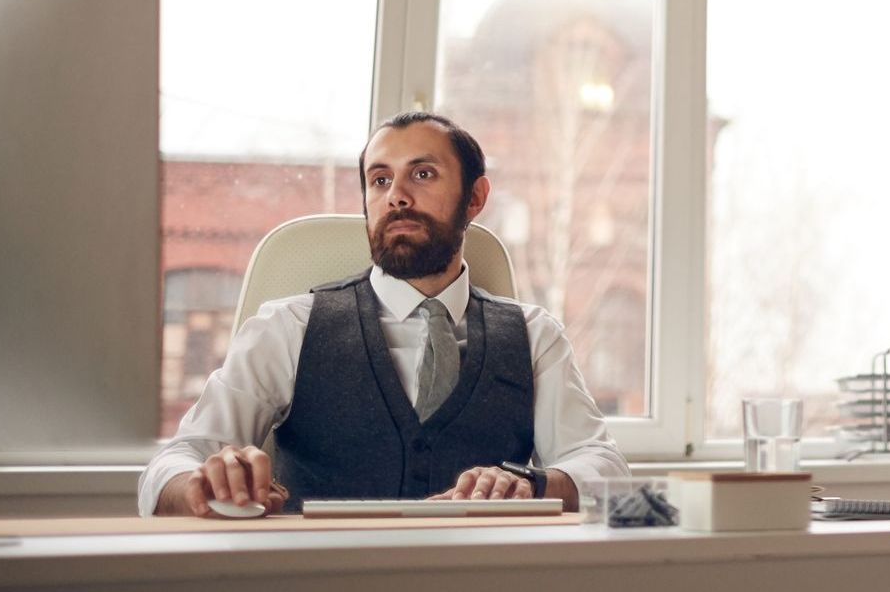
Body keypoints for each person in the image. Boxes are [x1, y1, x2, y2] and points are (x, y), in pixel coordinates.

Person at [139, 112, 628, 517]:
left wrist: (532, 484)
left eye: (422, 174)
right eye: (379, 179)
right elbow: (172, 464)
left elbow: (605, 469)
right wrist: (203, 485)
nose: (396, 195)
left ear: (475, 198)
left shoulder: (534, 335)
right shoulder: (290, 325)